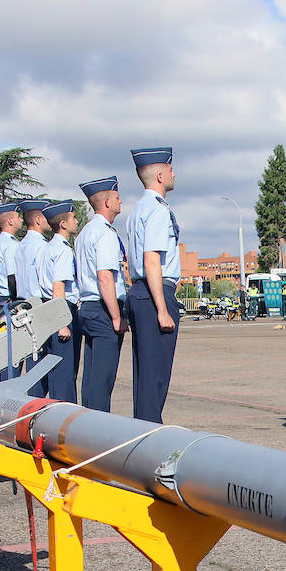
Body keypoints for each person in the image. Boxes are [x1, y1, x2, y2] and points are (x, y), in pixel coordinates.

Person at [122, 146, 182, 423]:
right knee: (156, 373)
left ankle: (144, 429)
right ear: (159, 175)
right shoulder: (157, 211)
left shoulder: (138, 210)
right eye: (170, 169)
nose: (174, 173)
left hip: (141, 291)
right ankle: (149, 435)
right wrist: (162, 308)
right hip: (154, 292)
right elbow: (151, 261)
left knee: (145, 372)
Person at [74, 175, 127, 412]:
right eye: (117, 198)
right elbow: (105, 277)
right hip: (103, 307)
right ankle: (98, 430)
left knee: (91, 376)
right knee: (103, 379)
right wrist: (116, 317)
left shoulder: (85, 232)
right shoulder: (105, 233)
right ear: (106, 203)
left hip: (88, 306)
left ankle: (86, 425)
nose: (121, 201)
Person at [40, 200, 81, 403]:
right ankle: (65, 415)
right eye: (73, 218)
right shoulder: (63, 250)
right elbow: (59, 286)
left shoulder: (48, 248)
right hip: (61, 310)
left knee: (54, 367)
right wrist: (62, 323)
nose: (77, 221)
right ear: (63, 224)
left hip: (48, 308)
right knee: (64, 370)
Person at [17, 199, 52, 302]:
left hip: (23, 301)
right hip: (39, 302)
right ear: (38, 220)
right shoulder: (41, 245)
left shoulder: (20, 245)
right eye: (47, 217)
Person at [0, 202, 23, 302]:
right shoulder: (10, 244)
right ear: (10, 221)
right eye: (18, 217)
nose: (21, 220)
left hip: (0, 298)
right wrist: (17, 300)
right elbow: (12, 277)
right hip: (9, 298)